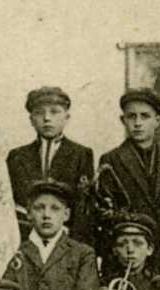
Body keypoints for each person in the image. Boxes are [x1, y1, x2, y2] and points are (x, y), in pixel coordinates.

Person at [95, 88, 160, 270]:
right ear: (123, 120)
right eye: (131, 117)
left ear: (157, 121)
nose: (138, 123)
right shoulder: (111, 160)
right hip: (127, 252)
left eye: (145, 116)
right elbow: (105, 211)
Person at [7, 178, 98, 290]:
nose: (46, 215)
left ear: (66, 215)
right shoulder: (14, 252)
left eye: (55, 208)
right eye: (39, 208)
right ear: (28, 213)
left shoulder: (83, 254)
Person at [7, 86, 95, 245]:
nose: (47, 118)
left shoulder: (81, 154)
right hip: (24, 238)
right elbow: (10, 203)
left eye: (54, 112)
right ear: (31, 120)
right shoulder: (17, 156)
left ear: (66, 117)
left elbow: (83, 206)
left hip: (66, 239)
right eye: (39, 113)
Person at [98, 212, 158, 290]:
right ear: (114, 250)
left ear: (149, 249)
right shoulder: (104, 284)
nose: (130, 250)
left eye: (137, 243)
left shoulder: (158, 285)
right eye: (122, 244)